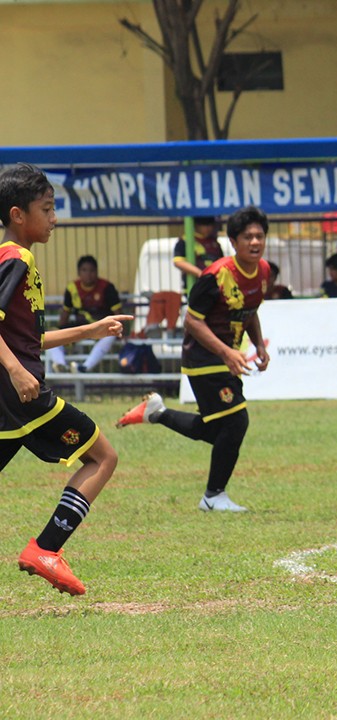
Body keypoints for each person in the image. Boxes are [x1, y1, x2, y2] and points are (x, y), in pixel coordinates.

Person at [0, 163, 132, 595]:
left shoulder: (17, 258)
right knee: (103, 457)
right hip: (24, 397)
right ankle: (45, 549)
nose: (54, 218)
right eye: (48, 208)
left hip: (14, 400)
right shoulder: (16, 257)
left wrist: (90, 331)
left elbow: (30, 338)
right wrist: (18, 370)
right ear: (18, 215)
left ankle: (46, 549)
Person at [116, 206, 271, 513]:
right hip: (204, 358)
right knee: (236, 420)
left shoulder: (263, 271)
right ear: (233, 241)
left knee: (215, 429)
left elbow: (249, 311)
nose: (255, 242)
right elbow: (193, 322)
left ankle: (156, 413)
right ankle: (213, 496)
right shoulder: (215, 276)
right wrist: (226, 351)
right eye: (247, 237)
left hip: (227, 357)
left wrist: (258, 345)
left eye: (260, 236)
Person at [46, 255, 124, 373]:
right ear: (79, 272)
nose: (88, 274)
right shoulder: (72, 288)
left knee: (111, 334)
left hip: (100, 326)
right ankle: (60, 365)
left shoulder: (107, 287)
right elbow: (65, 313)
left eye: (92, 270)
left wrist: (121, 331)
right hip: (80, 326)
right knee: (51, 334)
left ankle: (84, 368)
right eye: (84, 270)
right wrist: (62, 333)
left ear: (96, 272)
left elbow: (118, 314)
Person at [173, 216, 223, 289]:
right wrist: (199, 273)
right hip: (195, 286)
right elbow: (178, 262)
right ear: (196, 225)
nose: (208, 228)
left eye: (210, 225)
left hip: (214, 284)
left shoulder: (214, 242)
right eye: (205, 225)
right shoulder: (185, 241)